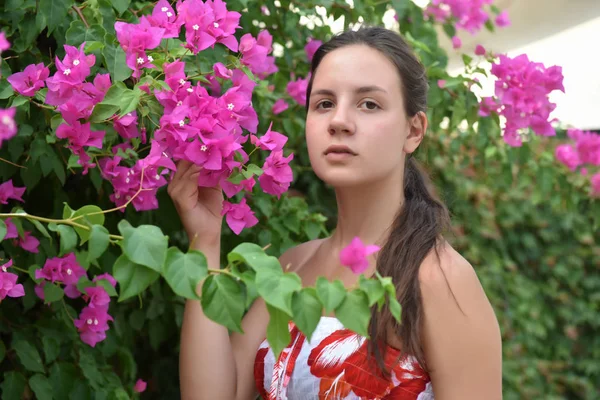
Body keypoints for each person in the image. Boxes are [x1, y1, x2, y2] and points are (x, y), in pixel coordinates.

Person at [169, 26, 502, 400]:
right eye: (324, 103)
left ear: (414, 131)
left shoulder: (439, 280)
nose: (338, 121)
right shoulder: (291, 267)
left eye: (369, 104)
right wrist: (205, 243)